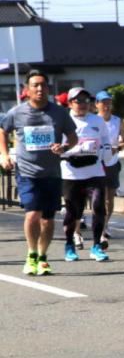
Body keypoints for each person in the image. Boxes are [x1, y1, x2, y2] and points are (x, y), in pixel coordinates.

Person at [0, 70, 77, 275]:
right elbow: (3, 130)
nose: (40, 89)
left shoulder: (59, 113)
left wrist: (64, 147)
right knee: (33, 214)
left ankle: (43, 257)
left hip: (51, 173)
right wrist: (4, 154)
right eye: (35, 85)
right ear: (27, 89)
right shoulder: (17, 112)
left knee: (48, 220)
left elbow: (73, 137)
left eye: (43, 85)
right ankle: (31, 254)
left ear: (49, 89)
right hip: (27, 172)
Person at [59, 88, 112, 262]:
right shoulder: (64, 121)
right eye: (78, 101)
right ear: (70, 103)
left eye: (86, 101)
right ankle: (69, 245)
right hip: (72, 171)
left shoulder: (97, 120)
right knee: (74, 211)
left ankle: (96, 245)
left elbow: (105, 139)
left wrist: (105, 150)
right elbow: (58, 146)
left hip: (94, 170)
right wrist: (77, 149)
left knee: (98, 206)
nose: (83, 104)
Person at [95, 90, 124, 249]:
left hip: (112, 162)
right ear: (97, 104)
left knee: (109, 198)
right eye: (103, 102)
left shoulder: (118, 121)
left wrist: (116, 148)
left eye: (108, 102)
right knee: (96, 197)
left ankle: (105, 225)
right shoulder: (93, 120)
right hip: (95, 162)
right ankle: (95, 223)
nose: (106, 106)